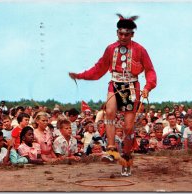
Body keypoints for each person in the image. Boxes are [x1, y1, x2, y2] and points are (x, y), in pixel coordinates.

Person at [69, 14, 157, 176]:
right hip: (114, 85)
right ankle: (110, 149)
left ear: (132, 34)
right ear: (117, 33)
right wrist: (81, 75)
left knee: (128, 128)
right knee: (109, 112)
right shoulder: (111, 49)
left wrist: (148, 86)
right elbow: (99, 68)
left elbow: (150, 70)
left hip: (131, 87)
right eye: (120, 34)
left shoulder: (140, 49)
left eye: (127, 34)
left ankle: (126, 158)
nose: (123, 37)